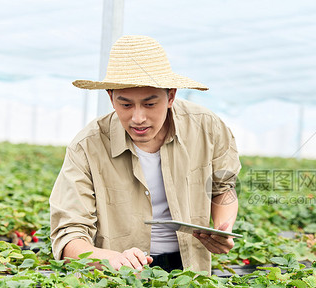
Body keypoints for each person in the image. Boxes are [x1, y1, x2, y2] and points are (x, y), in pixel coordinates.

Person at [49, 35, 241, 274]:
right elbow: (69, 236)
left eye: (150, 104)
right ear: (110, 97)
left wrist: (224, 227)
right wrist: (110, 259)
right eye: (126, 105)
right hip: (116, 280)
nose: (138, 118)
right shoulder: (87, 147)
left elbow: (223, 187)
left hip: (190, 272)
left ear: (171, 96)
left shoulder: (206, 128)